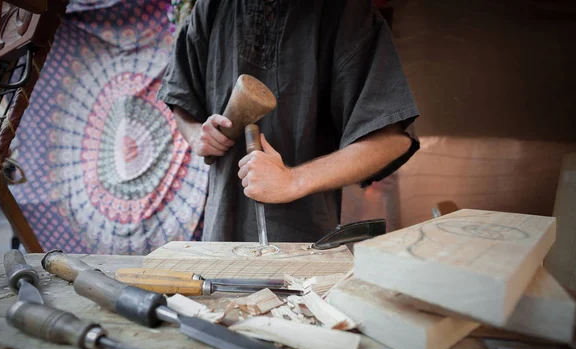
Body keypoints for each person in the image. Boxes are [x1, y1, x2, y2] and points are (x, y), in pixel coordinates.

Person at [157, 0, 420, 243]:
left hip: (305, 242)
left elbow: (390, 139)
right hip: (220, 237)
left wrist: (293, 180)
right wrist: (195, 135)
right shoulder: (211, 7)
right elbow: (180, 93)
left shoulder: (345, 11)